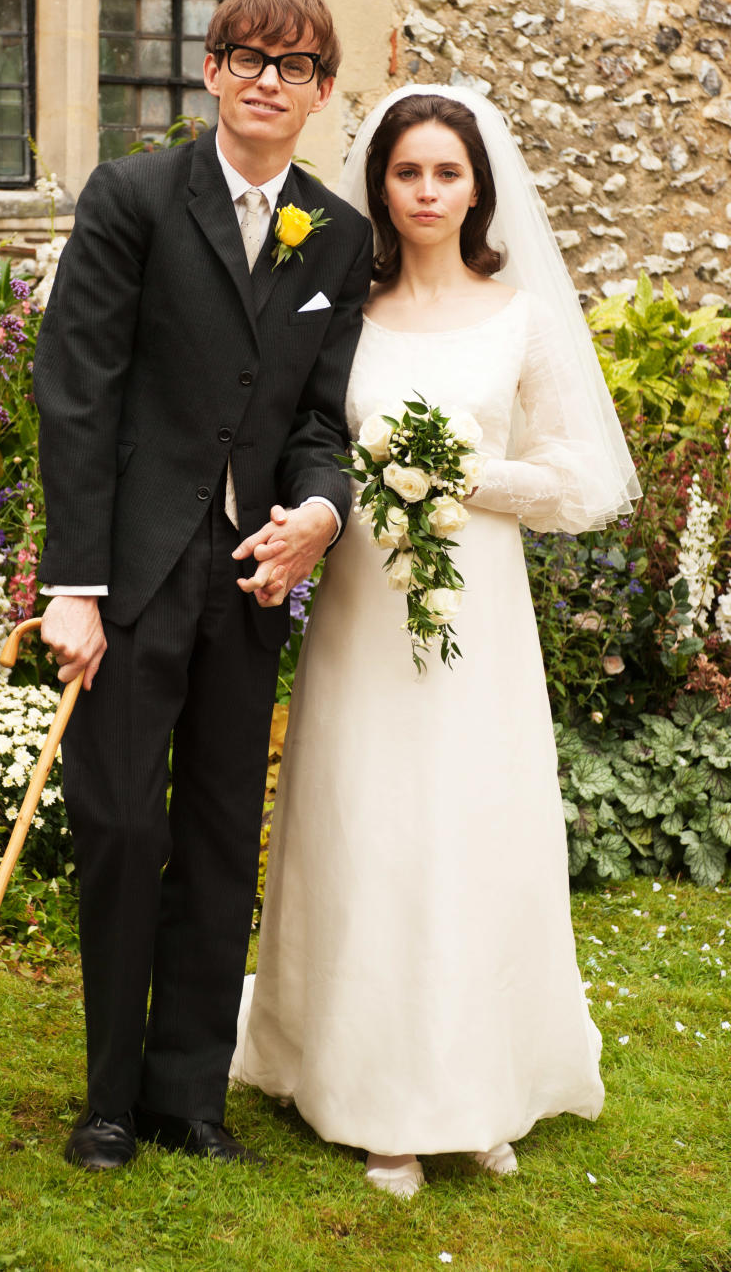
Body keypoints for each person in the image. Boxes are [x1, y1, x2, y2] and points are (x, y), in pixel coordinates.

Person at [230, 85, 641, 1197]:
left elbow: (585, 482)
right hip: (364, 611)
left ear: (477, 186)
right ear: (381, 184)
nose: (424, 192)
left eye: (444, 174)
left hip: (480, 620)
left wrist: (464, 480)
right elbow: (298, 435)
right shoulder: (342, 308)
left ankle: (482, 1085)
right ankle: (377, 1095)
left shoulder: (522, 315)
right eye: (406, 173)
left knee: (474, 831)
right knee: (370, 828)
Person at [33, 0, 373, 1171]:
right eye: (246, 57)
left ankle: (189, 1095)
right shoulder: (132, 198)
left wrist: (321, 515)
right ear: (214, 73)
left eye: (295, 64)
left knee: (225, 827)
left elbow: (322, 417)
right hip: (129, 573)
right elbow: (76, 395)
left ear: (324, 90)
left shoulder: (338, 234)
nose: (269, 79)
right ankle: (111, 1099)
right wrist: (71, 584)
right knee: (124, 823)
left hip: (251, 579)